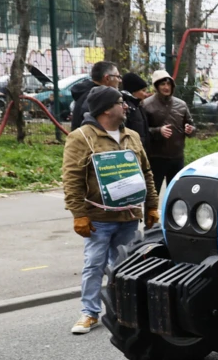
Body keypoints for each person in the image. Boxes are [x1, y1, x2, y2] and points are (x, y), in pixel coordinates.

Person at [61, 86, 159, 334]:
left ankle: (122, 310)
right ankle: (89, 312)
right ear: (105, 109)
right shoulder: (81, 138)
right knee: (94, 264)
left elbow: (146, 173)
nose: (126, 106)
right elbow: (72, 179)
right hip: (99, 219)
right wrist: (79, 214)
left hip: (129, 216)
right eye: (120, 102)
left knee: (125, 266)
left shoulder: (132, 137)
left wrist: (152, 206)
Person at [141, 70, 196, 192]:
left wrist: (190, 129)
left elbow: (192, 126)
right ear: (156, 86)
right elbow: (141, 132)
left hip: (177, 157)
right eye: (162, 84)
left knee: (176, 193)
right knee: (153, 194)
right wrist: (158, 131)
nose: (166, 87)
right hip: (156, 158)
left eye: (168, 84)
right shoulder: (146, 104)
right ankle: (151, 212)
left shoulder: (181, 105)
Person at [70, 61, 120, 130]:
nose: (120, 80)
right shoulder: (96, 98)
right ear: (107, 78)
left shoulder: (86, 93)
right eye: (117, 76)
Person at [121, 72, 151, 144]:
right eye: (143, 90)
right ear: (133, 92)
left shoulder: (138, 106)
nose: (146, 94)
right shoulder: (126, 107)